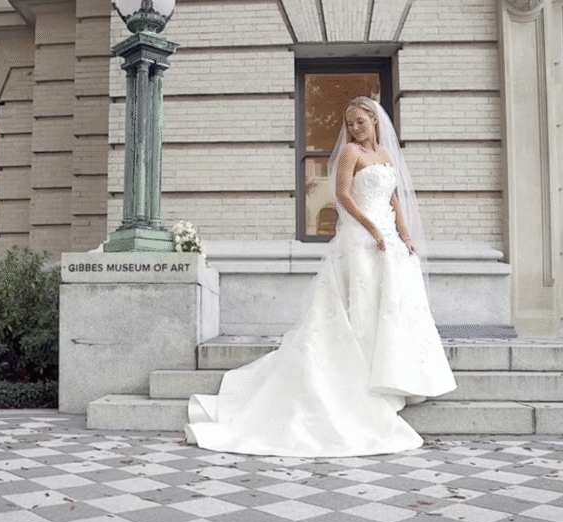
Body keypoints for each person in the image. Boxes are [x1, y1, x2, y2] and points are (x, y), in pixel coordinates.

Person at [185, 97, 456, 457]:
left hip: (388, 237)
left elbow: (395, 201)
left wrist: (404, 234)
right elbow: (342, 195)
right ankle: (362, 378)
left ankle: (395, 376)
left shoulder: (386, 156)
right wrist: (372, 229)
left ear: (374, 120)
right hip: (362, 238)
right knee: (360, 305)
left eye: (360, 122)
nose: (355, 129)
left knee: (392, 305)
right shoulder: (350, 154)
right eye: (350, 123)